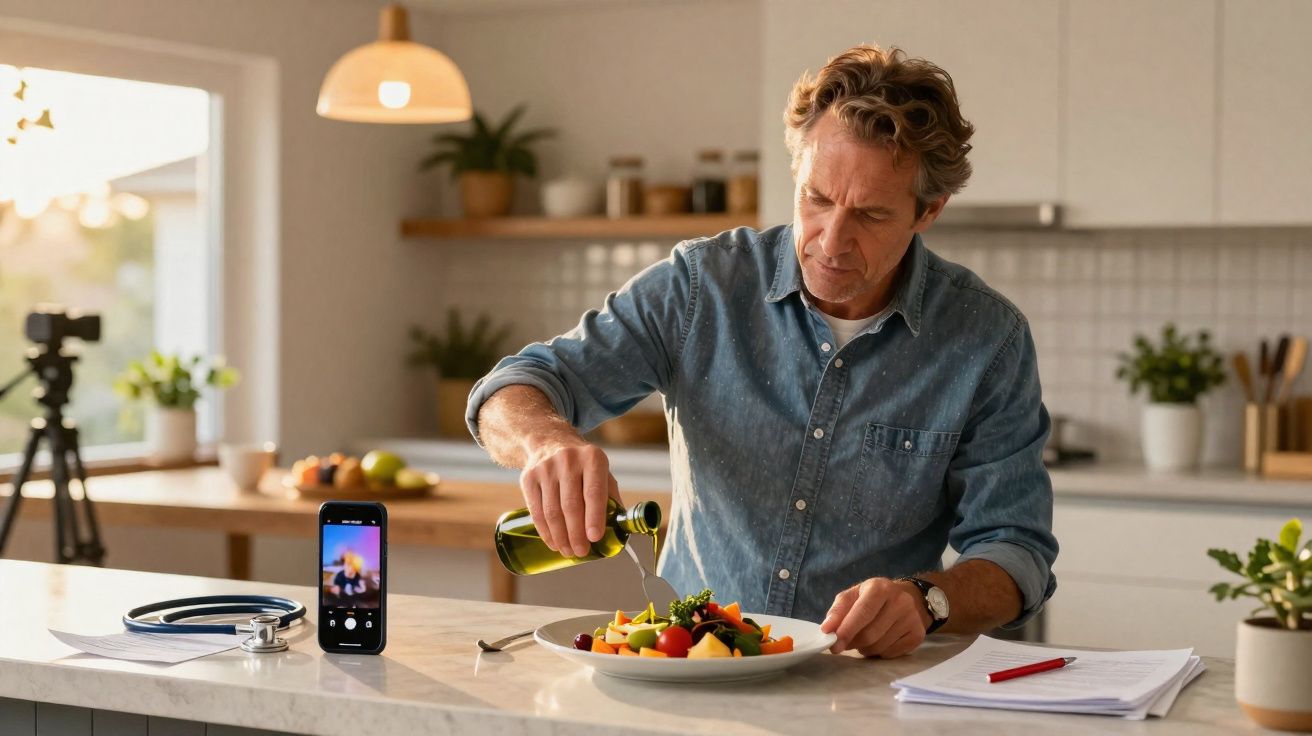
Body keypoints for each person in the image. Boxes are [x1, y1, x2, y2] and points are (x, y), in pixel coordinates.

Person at [466, 45, 1058, 658]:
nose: (831, 241)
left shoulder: (987, 340)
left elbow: (1017, 553)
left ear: (928, 210)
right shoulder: (703, 287)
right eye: (817, 199)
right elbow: (513, 388)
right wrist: (546, 440)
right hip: (689, 669)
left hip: (862, 684)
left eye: (872, 215)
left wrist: (928, 600)